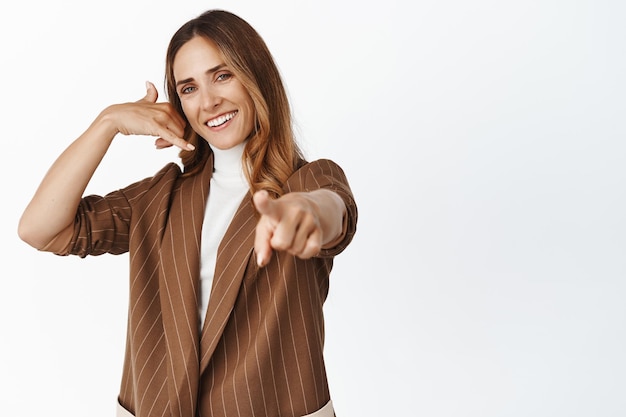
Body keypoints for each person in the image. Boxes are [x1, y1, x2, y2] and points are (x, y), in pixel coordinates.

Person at [18, 9, 357, 417]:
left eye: (223, 75)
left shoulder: (307, 181)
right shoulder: (162, 195)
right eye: (189, 88)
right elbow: (39, 229)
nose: (209, 100)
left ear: (256, 78)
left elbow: (334, 210)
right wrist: (108, 123)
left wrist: (304, 211)